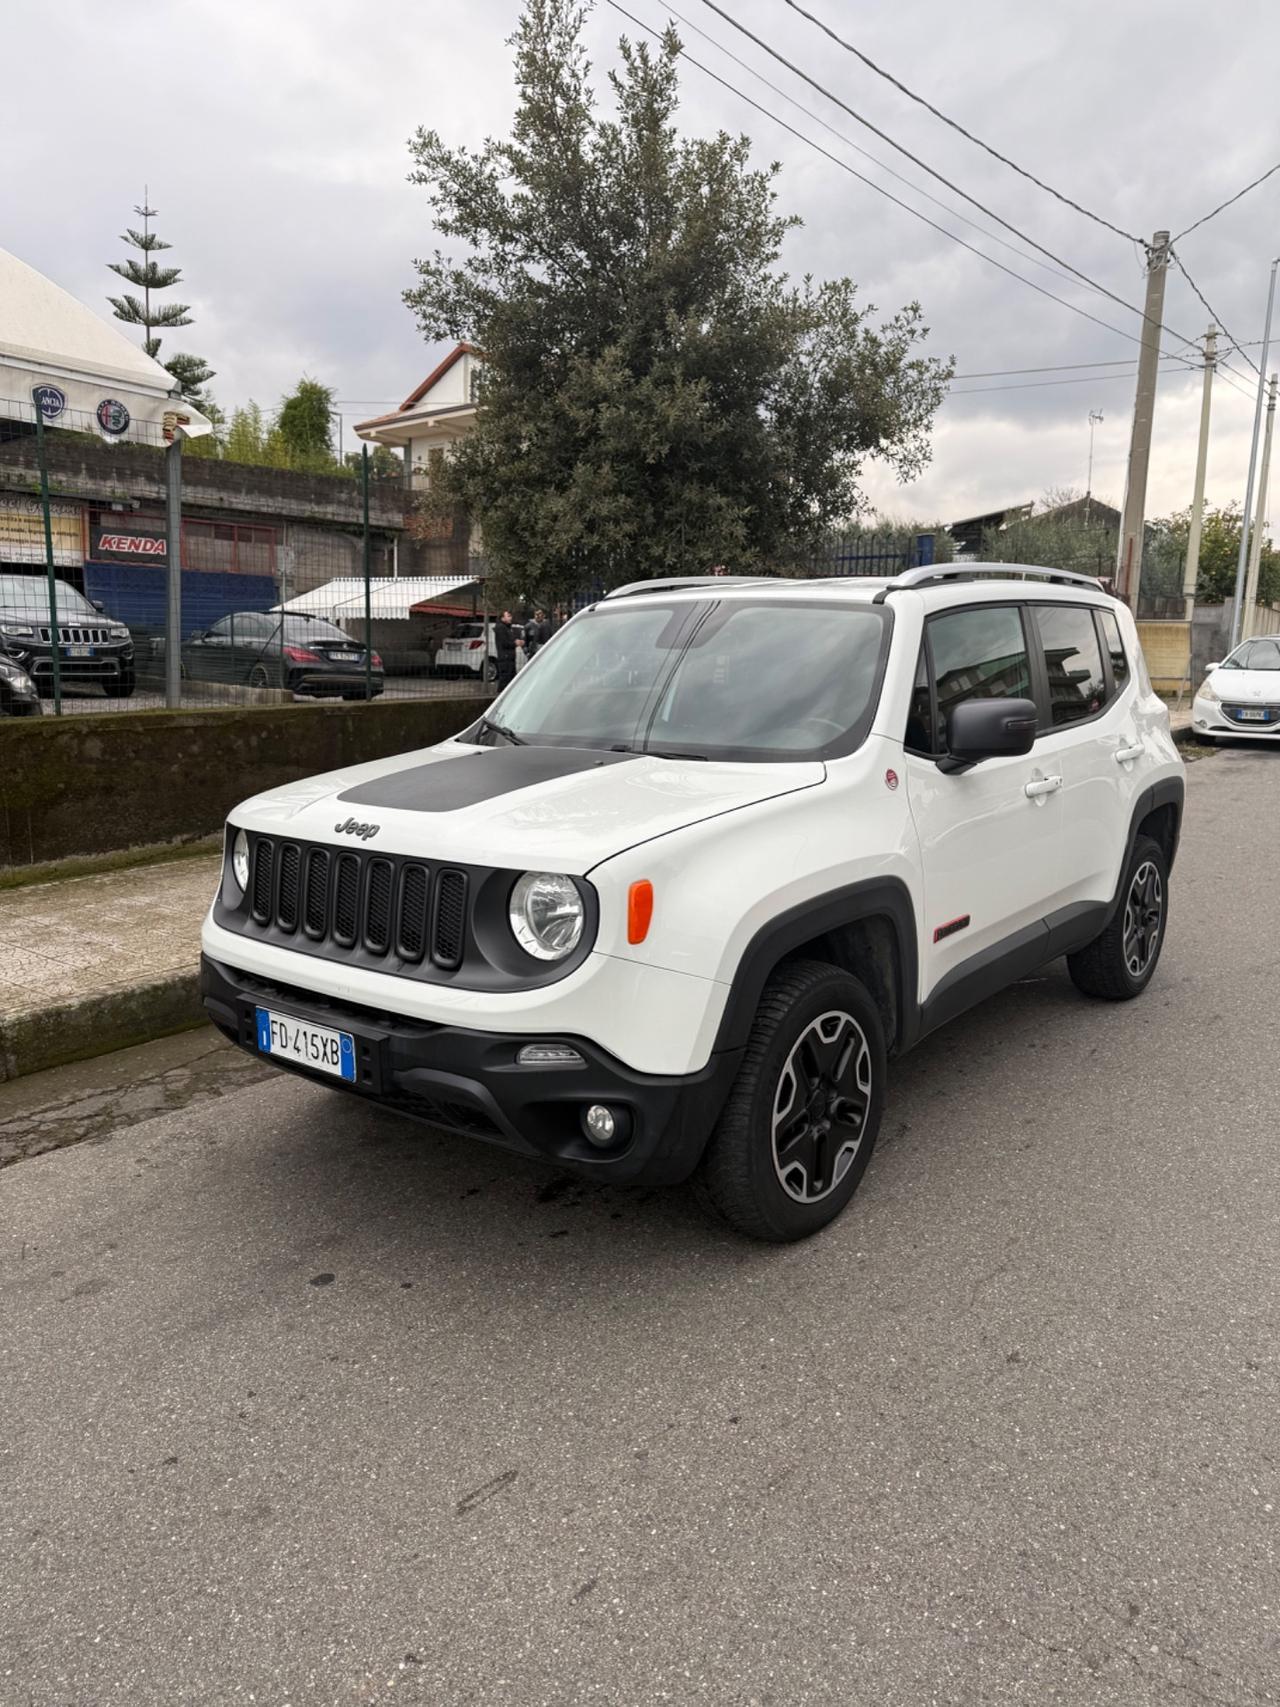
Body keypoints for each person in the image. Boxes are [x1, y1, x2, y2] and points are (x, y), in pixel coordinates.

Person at [494, 610, 517, 688]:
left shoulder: (507, 628)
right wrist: (515, 643)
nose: (511, 618)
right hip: (505, 658)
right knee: (505, 680)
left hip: (509, 658)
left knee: (510, 680)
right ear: (502, 618)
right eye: (508, 616)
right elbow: (504, 643)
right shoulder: (501, 628)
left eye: (511, 616)